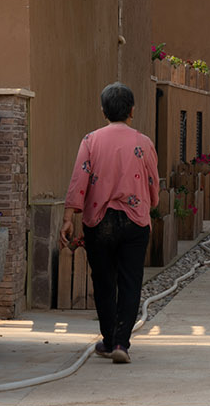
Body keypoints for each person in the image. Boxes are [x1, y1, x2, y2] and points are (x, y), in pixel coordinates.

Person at [61, 82, 160, 364]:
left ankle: (107, 339)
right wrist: (151, 203)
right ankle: (121, 344)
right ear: (131, 111)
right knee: (130, 281)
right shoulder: (143, 142)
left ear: (103, 111)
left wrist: (69, 217)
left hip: (99, 220)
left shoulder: (90, 141)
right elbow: (153, 181)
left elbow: (79, 179)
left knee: (103, 281)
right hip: (134, 220)